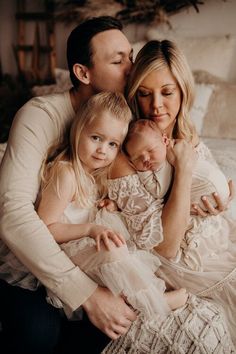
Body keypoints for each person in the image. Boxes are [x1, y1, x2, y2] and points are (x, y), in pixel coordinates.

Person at [0, 16, 136, 354]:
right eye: (118, 61)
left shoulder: (128, 119)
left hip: (85, 254)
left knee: (119, 322)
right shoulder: (40, 115)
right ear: (83, 73)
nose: (132, 69)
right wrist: (87, 295)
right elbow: (12, 213)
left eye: (131, 57)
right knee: (38, 334)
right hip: (28, 259)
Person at [105, 39, 236, 349]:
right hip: (187, 265)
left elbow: (208, 197)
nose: (156, 107)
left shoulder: (188, 136)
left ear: (183, 91)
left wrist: (221, 201)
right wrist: (185, 173)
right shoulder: (127, 153)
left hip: (218, 241)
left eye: (167, 92)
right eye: (145, 94)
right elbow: (164, 247)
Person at [37, 91, 189, 322]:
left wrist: (108, 206)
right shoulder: (66, 174)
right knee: (113, 249)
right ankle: (154, 301)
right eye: (96, 138)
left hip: (78, 245)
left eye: (112, 144)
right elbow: (46, 228)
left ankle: (139, 292)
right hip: (61, 254)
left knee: (120, 241)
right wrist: (90, 229)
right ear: (78, 129)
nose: (102, 150)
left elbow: (83, 209)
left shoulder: (94, 173)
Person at [124, 119, 230, 210]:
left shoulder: (163, 165)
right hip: (217, 186)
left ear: (165, 140)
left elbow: (159, 192)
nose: (145, 159)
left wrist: (144, 173)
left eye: (151, 150)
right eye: (137, 157)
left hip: (211, 188)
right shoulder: (173, 146)